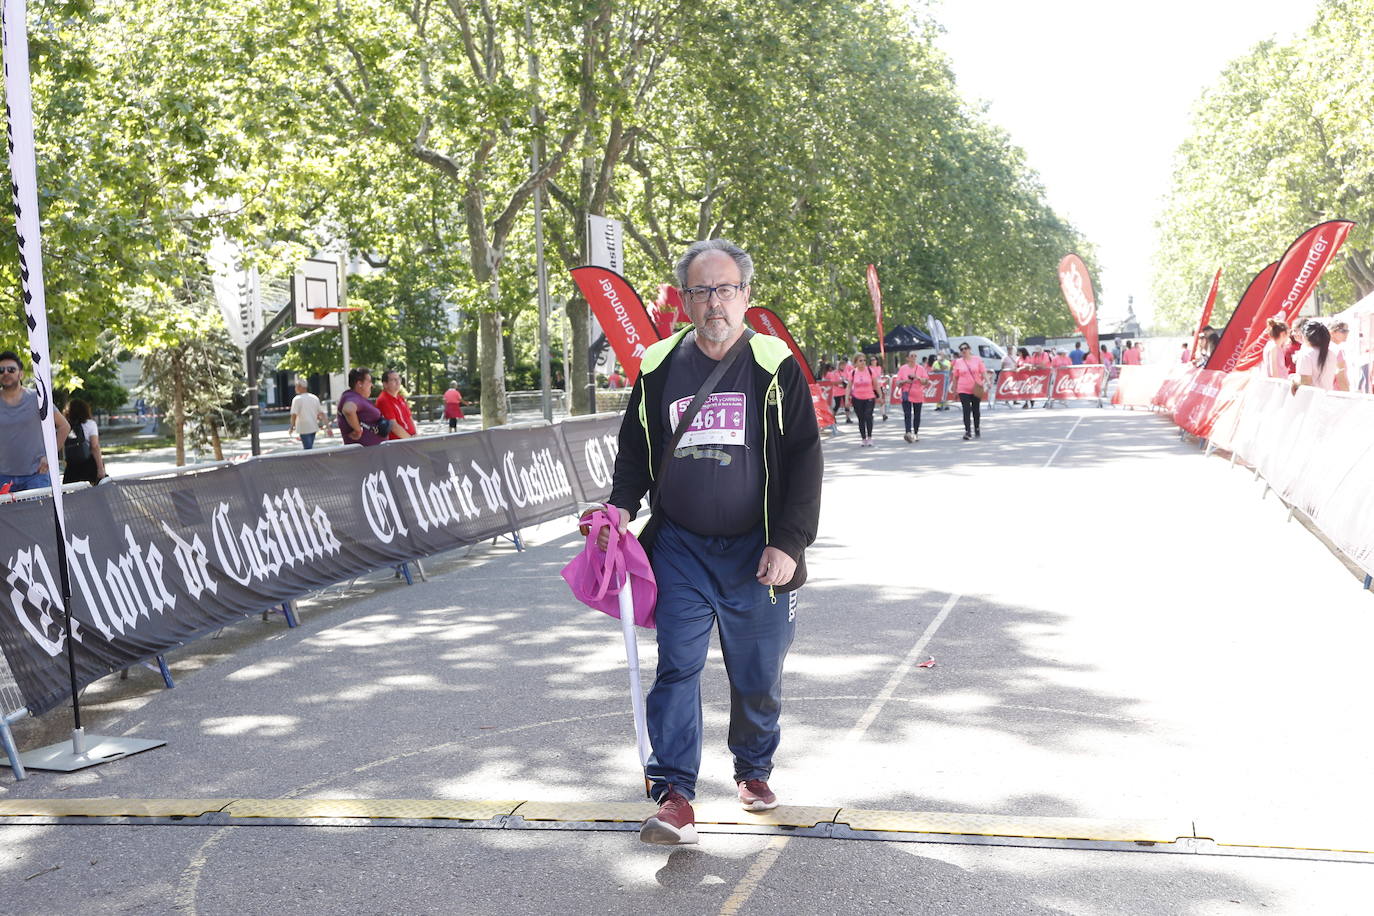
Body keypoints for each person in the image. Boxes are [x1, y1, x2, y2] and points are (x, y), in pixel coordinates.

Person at [601, 238, 822, 846]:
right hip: (680, 549)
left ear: (746, 297)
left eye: (726, 289)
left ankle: (753, 769)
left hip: (759, 552)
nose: (714, 302)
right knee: (678, 669)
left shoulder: (775, 367)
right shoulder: (657, 366)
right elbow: (635, 452)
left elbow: (804, 460)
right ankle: (675, 795)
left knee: (757, 673)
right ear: (683, 300)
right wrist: (619, 509)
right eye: (701, 291)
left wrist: (790, 543)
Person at [0, 350, 70, 492]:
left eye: (11, 369)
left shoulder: (37, 398)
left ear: (21, 374)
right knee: (8, 516)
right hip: (3, 478)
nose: (6, 373)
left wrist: (49, 456)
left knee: (39, 515)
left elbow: (64, 426)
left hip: (36, 476)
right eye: (1, 370)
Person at [337, 367, 386, 446]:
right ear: (359, 384)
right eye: (369, 381)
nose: (372, 385)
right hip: (365, 453)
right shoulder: (352, 397)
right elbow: (348, 410)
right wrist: (358, 430)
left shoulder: (356, 397)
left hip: (371, 451)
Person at [61, 398, 105, 485]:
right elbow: (94, 446)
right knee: (93, 493)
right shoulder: (90, 424)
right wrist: (100, 468)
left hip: (71, 465)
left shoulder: (65, 425)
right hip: (89, 463)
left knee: (72, 494)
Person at [951, 341, 986, 440]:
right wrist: (954, 389)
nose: (964, 351)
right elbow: (955, 377)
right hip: (963, 388)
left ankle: (977, 428)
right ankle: (967, 431)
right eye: (961, 349)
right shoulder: (958, 362)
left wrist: (987, 381)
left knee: (976, 409)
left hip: (975, 387)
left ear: (969, 349)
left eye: (965, 348)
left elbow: (983, 372)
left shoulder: (977, 359)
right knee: (966, 409)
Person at [894, 351, 929, 443]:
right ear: (907, 358)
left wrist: (918, 378)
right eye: (911, 356)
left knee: (917, 414)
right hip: (906, 394)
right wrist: (905, 381)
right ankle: (908, 433)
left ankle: (916, 432)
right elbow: (897, 383)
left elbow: (926, 381)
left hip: (918, 394)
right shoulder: (903, 369)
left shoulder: (920, 368)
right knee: (907, 414)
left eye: (915, 356)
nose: (913, 357)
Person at [847, 353, 880, 446]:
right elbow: (849, 386)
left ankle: (869, 437)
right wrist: (846, 399)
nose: (863, 362)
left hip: (869, 397)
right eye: (860, 361)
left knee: (868, 416)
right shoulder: (852, 373)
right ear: (856, 363)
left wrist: (880, 396)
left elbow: (876, 384)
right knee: (861, 418)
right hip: (857, 398)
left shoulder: (870, 371)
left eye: (864, 360)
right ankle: (863, 438)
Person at [1297, 321, 1339, 391]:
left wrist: (1293, 380)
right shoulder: (1331, 354)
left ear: (1305, 336)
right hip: (1327, 397)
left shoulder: (1306, 354)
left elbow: (1305, 382)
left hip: (1311, 399)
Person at [375, 370, 417, 440]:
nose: (398, 382)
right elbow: (393, 426)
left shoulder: (400, 398)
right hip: (398, 443)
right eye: (393, 380)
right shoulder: (384, 400)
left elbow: (409, 417)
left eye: (398, 379)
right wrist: (410, 439)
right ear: (385, 384)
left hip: (409, 440)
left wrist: (415, 434)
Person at [288, 379, 327, 450]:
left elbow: (294, 415)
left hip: (303, 427)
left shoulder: (297, 399)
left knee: (308, 448)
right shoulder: (314, 398)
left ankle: (309, 460)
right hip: (313, 427)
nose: (295, 388)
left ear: (300, 387)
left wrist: (291, 427)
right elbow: (321, 413)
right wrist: (327, 426)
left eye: (296, 386)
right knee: (309, 446)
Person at [1330, 320, 1351, 391]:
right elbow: (1341, 377)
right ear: (1332, 332)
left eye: (1347, 331)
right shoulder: (1336, 350)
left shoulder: (1326, 347)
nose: (1346, 333)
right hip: (1336, 393)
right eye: (1343, 331)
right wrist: (1347, 395)